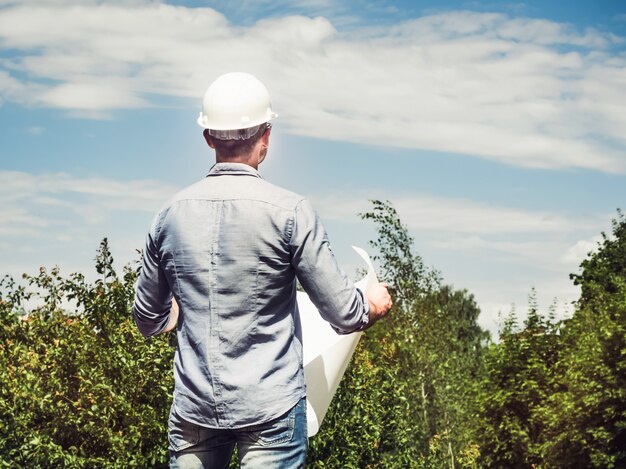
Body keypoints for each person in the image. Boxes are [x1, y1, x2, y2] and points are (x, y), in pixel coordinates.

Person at [132, 72, 392, 468]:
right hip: (271, 408)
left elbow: (149, 319)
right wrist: (372, 303)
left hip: (194, 409)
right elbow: (344, 314)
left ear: (208, 138)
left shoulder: (169, 216)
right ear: (266, 136)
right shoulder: (291, 212)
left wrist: (190, 300)